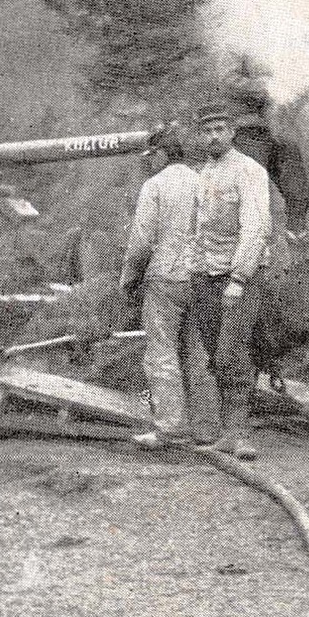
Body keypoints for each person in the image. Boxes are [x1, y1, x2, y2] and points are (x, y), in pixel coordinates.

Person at [189, 99, 272, 461]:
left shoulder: (249, 171)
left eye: (219, 130)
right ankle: (225, 432)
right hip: (204, 274)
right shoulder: (202, 172)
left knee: (232, 352)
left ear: (232, 133)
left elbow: (256, 227)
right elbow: (196, 227)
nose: (213, 137)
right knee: (212, 354)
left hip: (238, 277)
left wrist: (239, 277)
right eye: (206, 131)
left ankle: (240, 434)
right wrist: (192, 267)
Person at [118, 128, 206, 448]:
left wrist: (129, 279)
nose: (148, 163)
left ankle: (170, 428)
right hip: (203, 277)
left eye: (151, 157)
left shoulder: (155, 186)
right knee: (198, 353)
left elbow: (141, 241)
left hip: (165, 278)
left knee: (162, 352)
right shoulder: (203, 181)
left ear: (161, 154)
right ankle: (204, 427)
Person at [225, 79, 309, 232]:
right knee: (253, 188)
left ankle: (296, 233)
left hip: (276, 127)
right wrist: (268, 85)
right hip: (247, 129)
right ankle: (251, 236)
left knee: (299, 188)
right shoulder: (238, 55)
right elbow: (229, 80)